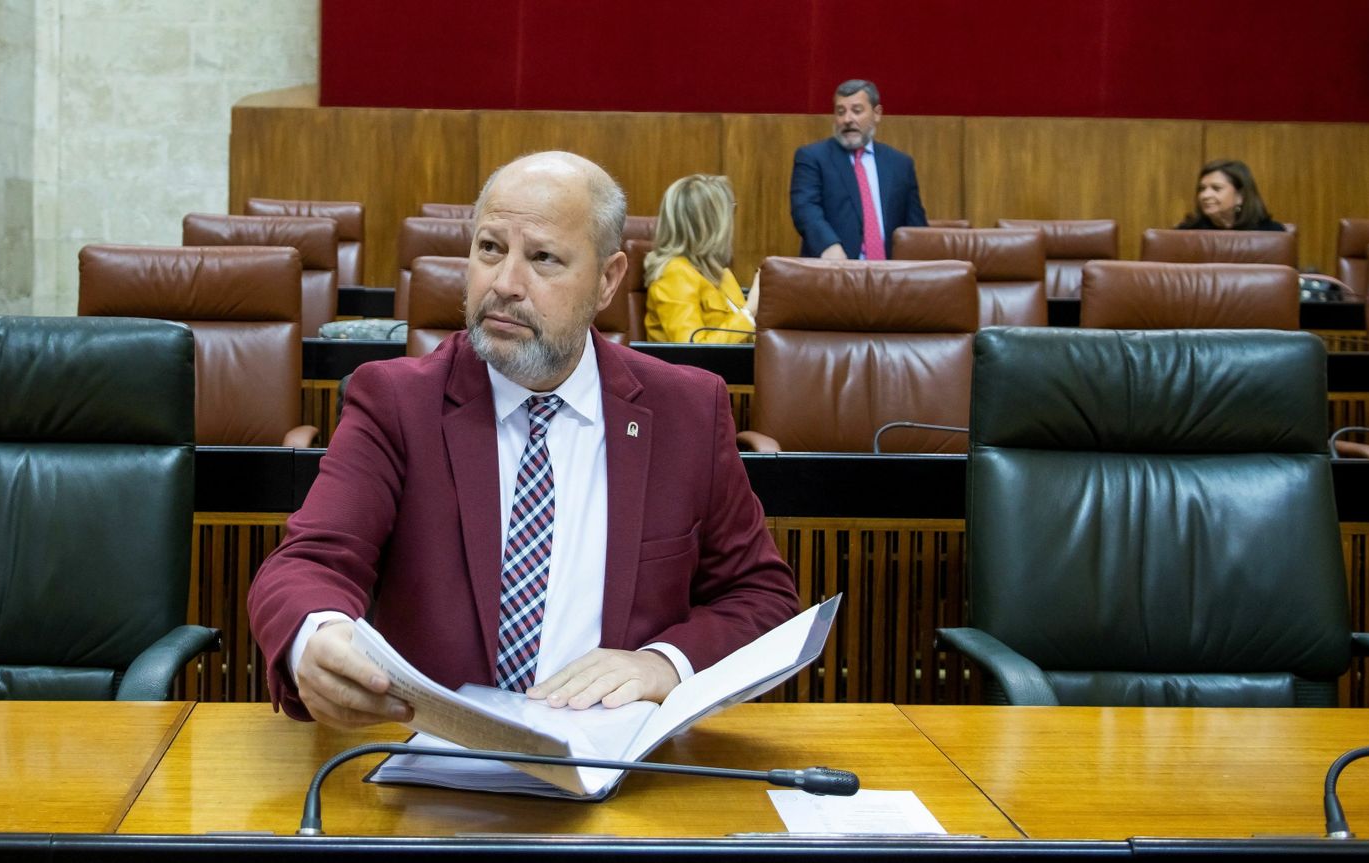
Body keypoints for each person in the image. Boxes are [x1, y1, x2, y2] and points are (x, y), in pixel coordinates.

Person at [247, 151, 799, 728]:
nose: (505, 283)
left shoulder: (686, 410)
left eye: (543, 258)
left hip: (621, 758)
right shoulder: (396, 401)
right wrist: (318, 634)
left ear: (607, 280)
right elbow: (307, 564)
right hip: (431, 755)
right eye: (490, 248)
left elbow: (761, 597)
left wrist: (664, 664)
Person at [789, 78, 927, 260]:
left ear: (877, 114)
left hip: (891, 272)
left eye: (857, 110)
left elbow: (915, 226)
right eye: (841, 112)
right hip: (833, 268)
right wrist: (828, 246)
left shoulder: (900, 164)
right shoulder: (813, 157)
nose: (847, 119)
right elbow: (805, 209)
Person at [643, 174, 758, 344]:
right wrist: (750, 310)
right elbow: (692, 348)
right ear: (712, 225)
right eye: (730, 211)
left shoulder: (721, 273)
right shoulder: (674, 274)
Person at [1176, 159, 1284, 231]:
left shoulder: (1271, 233)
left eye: (1216, 188)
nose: (1205, 195)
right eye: (1202, 189)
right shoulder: (1186, 232)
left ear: (1240, 196)